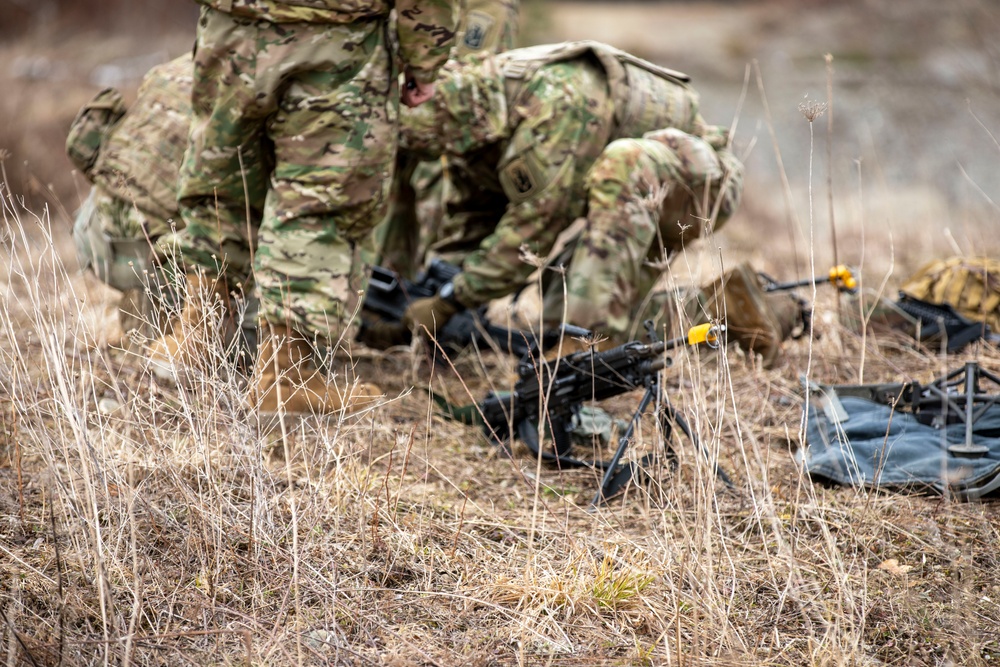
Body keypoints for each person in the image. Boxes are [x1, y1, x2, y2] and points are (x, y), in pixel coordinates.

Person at [147, 0, 458, 414]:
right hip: (335, 39)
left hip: (230, 26)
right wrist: (425, 58)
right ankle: (284, 379)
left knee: (224, 177)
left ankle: (196, 335)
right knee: (319, 199)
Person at [390, 41, 788, 362]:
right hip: (642, 191)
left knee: (623, 170)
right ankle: (732, 314)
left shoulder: (556, 101)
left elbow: (531, 232)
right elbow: (473, 226)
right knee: (562, 297)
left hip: (696, 186)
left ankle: (585, 355)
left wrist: (449, 302)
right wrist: (416, 303)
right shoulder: (481, 118)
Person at [67, 54, 266, 341]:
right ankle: (165, 324)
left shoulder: (191, 59)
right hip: (161, 252)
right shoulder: (286, 89)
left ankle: (150, 306)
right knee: (269, 339)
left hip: (92, 233)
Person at [378, 0, 521, 280]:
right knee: (392, 212)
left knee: (436, 210)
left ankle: (427, 296)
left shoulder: (489, 6)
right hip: (402, 114)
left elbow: (466, 80)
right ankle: (388, 295)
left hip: (440, 128)